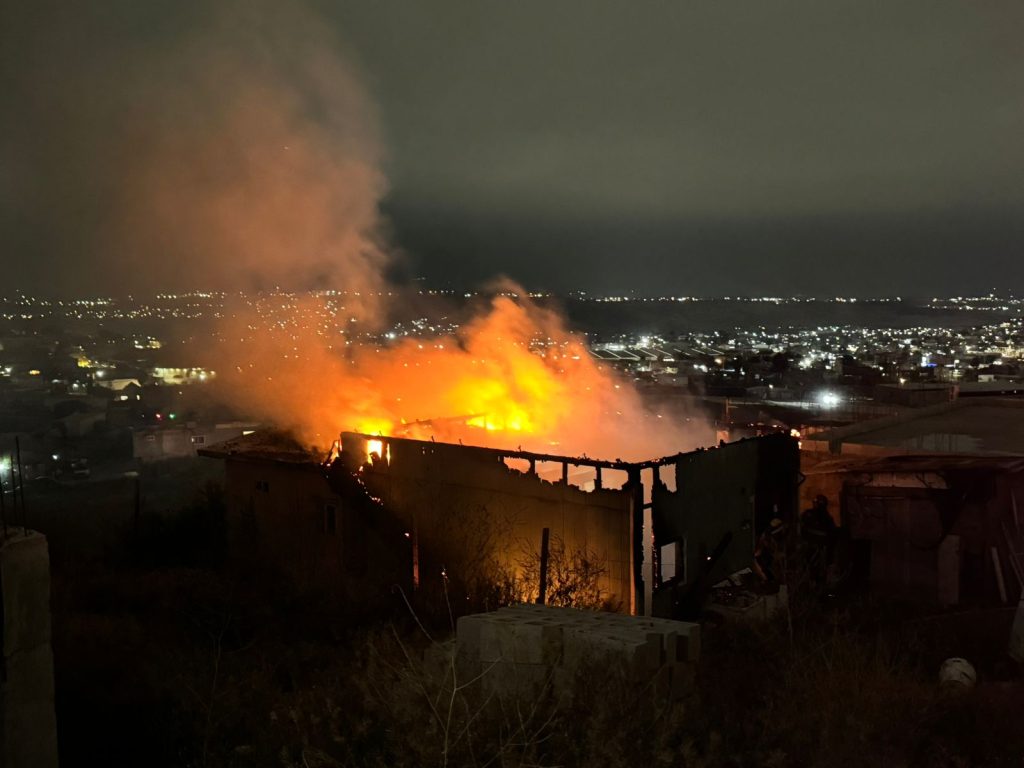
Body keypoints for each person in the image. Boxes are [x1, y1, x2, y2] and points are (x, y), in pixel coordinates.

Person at [801, 494, 836, 588]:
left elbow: (831, 536)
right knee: (810, 568)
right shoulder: (810, 515)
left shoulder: (827, 519)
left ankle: (818, 587)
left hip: (819, 549)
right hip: (812, 547)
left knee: (818, 570)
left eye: (816, 503)